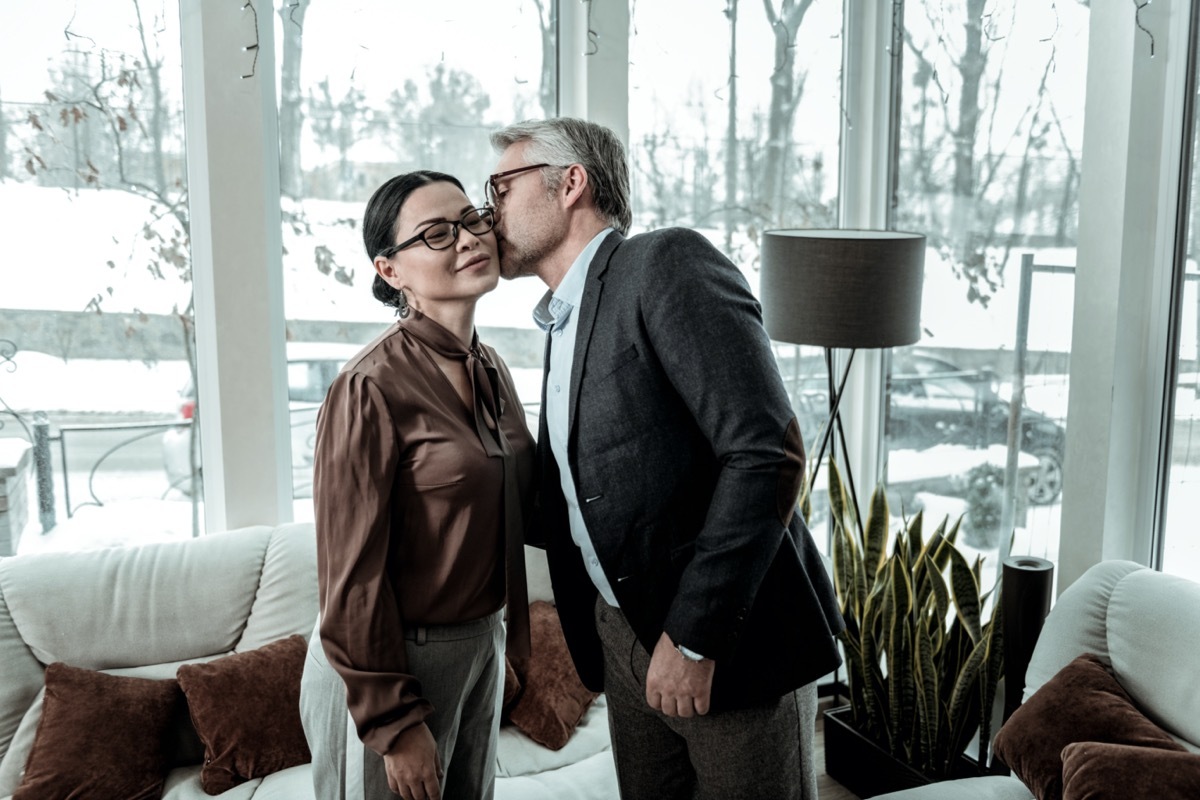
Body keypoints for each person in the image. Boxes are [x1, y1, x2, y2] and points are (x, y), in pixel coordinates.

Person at [487, 118, 845, 800]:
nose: (489, 208)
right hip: (620, 637)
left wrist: (693, 639)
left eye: (501, 186)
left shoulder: (664, 263)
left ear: (570, 183)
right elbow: (576, 500)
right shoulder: (559, 320)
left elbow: (766, 452)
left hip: (724, 644)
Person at [298, 170, 534, 800]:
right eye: (435, 233)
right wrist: (396, 725)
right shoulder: (368, 386)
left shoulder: (489, 366)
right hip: (392, 664)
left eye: (470, 219)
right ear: (390, 270)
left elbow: (526, 507)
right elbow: (350, 579)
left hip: (480, 644)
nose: (465, 238)